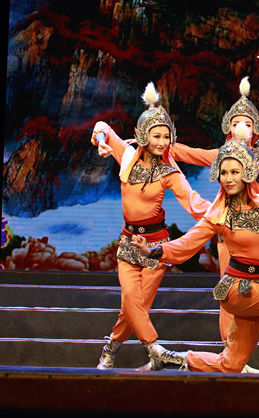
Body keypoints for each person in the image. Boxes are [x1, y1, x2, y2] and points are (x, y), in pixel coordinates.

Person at [131, 123, 259, 373]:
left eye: (234, 172)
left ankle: (172, 359)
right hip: (238, 290)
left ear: (247, 173)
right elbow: (187, 244)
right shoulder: (218, 215)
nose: (228, 178)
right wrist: (153, 251)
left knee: (232, 365)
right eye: (224, 173)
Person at [92, 82, 211, 370]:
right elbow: (101, 126)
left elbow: (195, 204)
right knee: (132, 301)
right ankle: (153, 350)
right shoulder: (127, 156)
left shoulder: (169, 172)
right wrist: (101, 140)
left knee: (137, 304)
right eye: (156, 136)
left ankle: (111, 350)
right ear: (144, 135)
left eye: (166, 137)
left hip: (156, 247)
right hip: (128, 243)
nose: (162, 142)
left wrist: (226, 213)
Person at [171, 45, 259, 347]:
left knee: (258, 292)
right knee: (229, 289)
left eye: (248, 123)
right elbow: (189, 153)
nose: (241, 127)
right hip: (229, 230)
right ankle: (229, 350)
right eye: (236, 123)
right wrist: (159, 144)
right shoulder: (222, 155)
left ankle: (243, 353)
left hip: (258, 231)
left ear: (256, 128)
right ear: (228, 128)